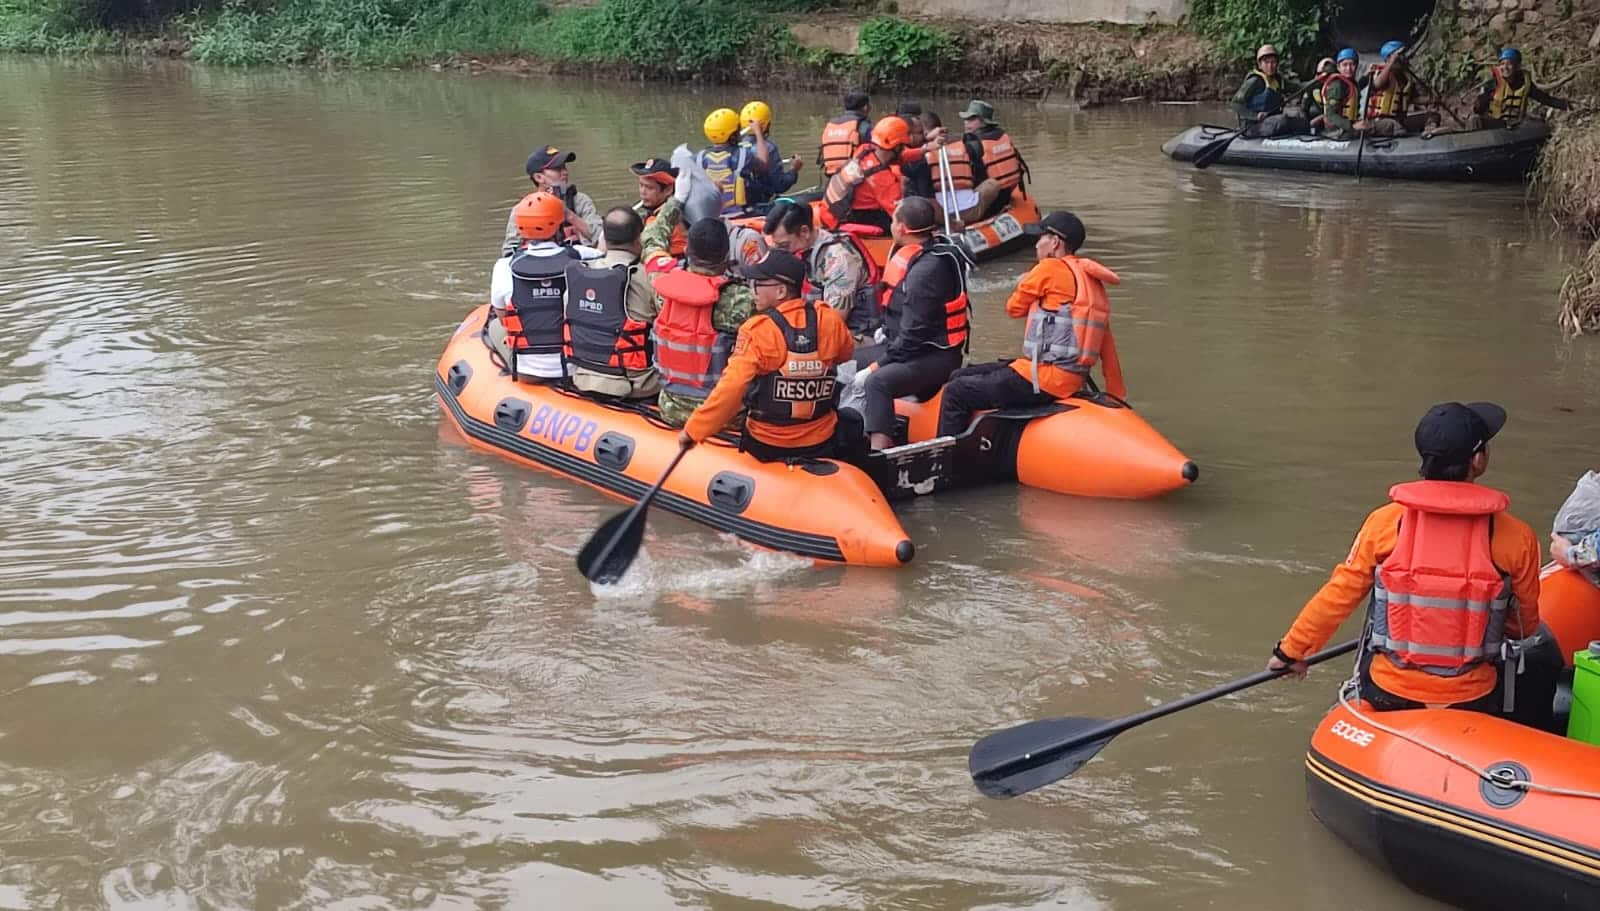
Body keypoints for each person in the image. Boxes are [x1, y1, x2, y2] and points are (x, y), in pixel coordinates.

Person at [1267, 402, 1542, 715]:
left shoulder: (1384, 523)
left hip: (1390, 692)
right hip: (1470, 697)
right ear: (1478, 460)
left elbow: (1339, 594)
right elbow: (1525, 625)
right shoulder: (1516, 536)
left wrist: (1290, 652)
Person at [935, 211, 1125, 438]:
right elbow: (1107, 347)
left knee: (956, 391)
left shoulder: (1047, 269)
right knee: (960, 374)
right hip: (1071, 380)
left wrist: (1027, 281)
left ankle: (947, 463)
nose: (1036, 245)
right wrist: (1117, 395)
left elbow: (1013, 308)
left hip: (1042, 380)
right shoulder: (1093, 283)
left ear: (1054, 243)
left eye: (1040, 238)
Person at [678, 251, 860, 463]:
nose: (751, 290)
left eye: (757, 284)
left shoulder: (758, 331)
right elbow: (845, 353)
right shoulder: (828, 320)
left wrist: (693, 431)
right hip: (820, 442)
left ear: (781, 290)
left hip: (768, 445)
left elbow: (731, 388)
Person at [858, 197, 973, 450]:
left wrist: (876, 366)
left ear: (901, 228)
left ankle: (880, 451)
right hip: (911, 350)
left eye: (893, 220)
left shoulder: (926, 271)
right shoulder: (920, 254)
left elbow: (913, 334)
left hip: (935, 357)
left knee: (876, 382)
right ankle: (848, 431)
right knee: (848, 361)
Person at [643, 192, 755, 428]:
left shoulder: (661, 285)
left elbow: (652, 239)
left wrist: (676, 200)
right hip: (725, 417)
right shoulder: (742, 300)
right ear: (726, 255)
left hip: (671, 409)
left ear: (686, 251)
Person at [488, 191, 587, 382]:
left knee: (493, 325)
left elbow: (502, 316)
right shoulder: (583, 256)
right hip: (576, 365)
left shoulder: (503, 266)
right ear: (560, 225)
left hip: (529, 371)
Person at [564, 207, 660, 400]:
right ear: (638, 238)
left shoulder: (579, 276)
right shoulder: (648, 278)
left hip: (584, 376)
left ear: (604, 240)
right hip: (638, 383)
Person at [763, 200, 880, 338]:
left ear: (804, 232)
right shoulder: (804, 248)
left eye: (784, 245)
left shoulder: (839, 259)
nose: (781, 251)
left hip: (854, 336)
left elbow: (832, 323)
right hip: (817, 325)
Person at [503, 145, 601, 254]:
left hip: (578, 264)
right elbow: (509, 251)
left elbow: (600, 239)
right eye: (557, 169)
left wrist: (569, 215)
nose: (565, 172)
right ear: (539, 177)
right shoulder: (523, 209)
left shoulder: (580, 201)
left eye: (564, 167)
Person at [820, 116, 909, 234]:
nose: (904, 150)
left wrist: (924, 150)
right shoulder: (883, 179)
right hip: (845, 221)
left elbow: (900, 158)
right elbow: (900, 215)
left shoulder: (864, 149)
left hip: (832, 212)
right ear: (897, 147)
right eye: (903, 147)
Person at [923, 110, 1006, 225]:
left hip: (936, 214)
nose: (966, 123)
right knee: (993, 183)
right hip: (968, 209)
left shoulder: (918, 155)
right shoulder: (964, 145)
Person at [1471, 47, 1572, 130]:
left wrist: (1565, 105)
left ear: (1517, 66)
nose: (1505, 67)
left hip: (1516, 124)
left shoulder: (1525, 84)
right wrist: (1480, 101)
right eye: (1502, 64)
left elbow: (1545, 99)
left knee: (1540, 125)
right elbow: (1478, 109)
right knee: (1475, 120)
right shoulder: (1492, 84)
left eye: (1509, 64)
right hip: (1496, 125)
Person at [958, 100, 1028, 218]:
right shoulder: (1002, 135)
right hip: (1006, 194)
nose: (966, 123)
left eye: (971, 119)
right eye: (966, 119)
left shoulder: (973, 144)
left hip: (990, 202)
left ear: (984, 122)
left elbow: (969, 178)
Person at [1363, 41, 1440, 138]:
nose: (1404, 58)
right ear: (1390, 58)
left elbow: (1412, 99)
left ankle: (1428, 133)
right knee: (1396, 126)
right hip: (1380, 122)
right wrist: (1391, 62)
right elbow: (1377, 85)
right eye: (1401, 55)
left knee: (1433, 116)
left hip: (1399, 120)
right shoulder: (1381, 73)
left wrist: (1431, 100)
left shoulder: (1404, 78)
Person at [1229, 45, 1307, 138]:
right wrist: (1255, 116)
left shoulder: (1278, 80)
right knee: (1282, 120)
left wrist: (1318, 79)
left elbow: (1298, 87)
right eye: (1266, 62)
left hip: (1271, 121)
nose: (1270, 66)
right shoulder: (1254, 81)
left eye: (1273, 62)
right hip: (1252, 126)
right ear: (1260, 64)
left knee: (1302, 120)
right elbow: (1235, 104)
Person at [738, 100, 801, 209]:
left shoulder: (735, 147)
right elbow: (779, 185)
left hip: (741, 205)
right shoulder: (769, 148)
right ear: (766, 125)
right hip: (762, 205)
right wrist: (794, 170)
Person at [699, 107, 762, 216]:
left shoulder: (699, 157)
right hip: (741, 214)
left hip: (710, 215)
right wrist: (758, 133)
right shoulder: (744, 154)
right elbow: (763, 165)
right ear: (733, 135)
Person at [631, 158, 686, 257]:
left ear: (668, 190)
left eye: (649, 187)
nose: (642, 192)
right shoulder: (643, 209)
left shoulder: (677, 220)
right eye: (641, 185)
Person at [1311, 49, 1365, 140]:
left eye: (1352, 64)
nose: (1348, 68)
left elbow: (1357, 88)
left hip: (1347, 126)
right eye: (1345, 65)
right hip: (1337, 131)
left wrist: (1367, 76)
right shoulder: (1337, 85)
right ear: (1338, 67)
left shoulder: (1350, 82)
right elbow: (1330, 114)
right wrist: (1352, 126)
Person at [818, 91, 873, 178]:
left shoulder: (831, 125)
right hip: (855, 177)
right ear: (865, 107)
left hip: (831, 175)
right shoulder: (864, 126)